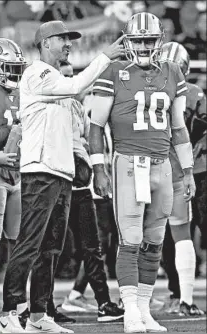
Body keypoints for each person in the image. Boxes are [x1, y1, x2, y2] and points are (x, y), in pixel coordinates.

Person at [0, 20, 124, 334]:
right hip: (40, 171)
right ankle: (8, 315)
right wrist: (105, 57)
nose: (68, 43)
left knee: (50, 248)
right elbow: (76, 86)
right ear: (44, 43)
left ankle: (39, 315)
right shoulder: (37, 72)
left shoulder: (54, 77)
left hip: (60, 172)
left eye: (70, 39)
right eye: (62, 38)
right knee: (29, 245)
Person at [89, 12, 195, 333]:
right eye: (139, 40)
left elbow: (178, 128)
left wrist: (187, 170)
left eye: (151, 40)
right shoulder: (113, 71)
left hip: (162, 164)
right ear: (128, 41)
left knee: (154, 240)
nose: (146, 46)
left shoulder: (173, 71)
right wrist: (99, 168)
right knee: (130, 238)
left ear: (160, 41)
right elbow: (95, 128)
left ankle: (145, 309)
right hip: (128, 162)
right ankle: (130, 311)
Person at [57, 60, 124, 321]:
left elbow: (89, 138)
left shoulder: (77, 108)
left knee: (94, 246)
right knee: (51, 247)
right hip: (57, 181)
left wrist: (94, 167)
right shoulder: (46, 105)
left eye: (71, 75)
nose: (69, 81)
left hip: (82, 184)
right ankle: (43, 306)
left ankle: (103, 303)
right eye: (64, 76)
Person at [159, 41, 206, 316]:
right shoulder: (192, 92)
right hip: (179, 169)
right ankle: (181, 296)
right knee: (173, 236)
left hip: (181, 169)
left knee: (165, 236)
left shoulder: (192, 93)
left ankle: (177, 296)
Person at [0, 37, 25, 281]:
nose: (14, 74)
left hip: (17, 174)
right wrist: (12, 129)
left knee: (17, 242)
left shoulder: (19, 93)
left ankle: (14, 303)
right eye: (9, 68)